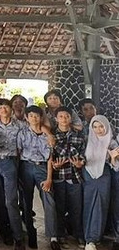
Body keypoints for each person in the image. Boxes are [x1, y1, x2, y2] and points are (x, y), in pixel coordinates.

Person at [17, 106, 59, 250]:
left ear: (41, 118)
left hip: (42, 168)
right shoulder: (22, 133)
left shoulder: (48, 135)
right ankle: (30, 232)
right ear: (27, 118)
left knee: (49, 200)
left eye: (36, 116)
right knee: (26, 202)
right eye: (31, 116)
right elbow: (18, 153)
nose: (34, 118)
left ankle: (53, 236)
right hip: (25, 167)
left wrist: (49, 179)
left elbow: (50, 158)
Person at [0, 99, 25, 249]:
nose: (3, 110)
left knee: (11, 200)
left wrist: (48, 134)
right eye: (0, 107)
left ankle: (18, 237)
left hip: (11, 162)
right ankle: (3, 230)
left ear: (10, 109)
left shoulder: (20, 125)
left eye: (6, 107)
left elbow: (37, 127)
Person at [51, 106, 85, 247]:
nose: (64, 119)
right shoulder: (52, 136)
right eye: (61, 116)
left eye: (67, 116)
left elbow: (83, 153)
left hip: (75, 176)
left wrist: (80, 163)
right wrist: (54, 165)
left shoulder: (79, 136)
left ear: (71, 118)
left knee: (76, 207)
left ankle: (78, 234)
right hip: (58, 177)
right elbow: (49, 156)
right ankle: (61, 235)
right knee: (59, 207)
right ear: (56, 119)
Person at [83, 116, 117, 250]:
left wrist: (113, 158)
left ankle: (93, 238)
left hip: (104, 175)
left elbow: (115, 166)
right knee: (87, 204)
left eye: (101, 126)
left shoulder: (112, 142)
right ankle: (86, 236)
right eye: (95, 127)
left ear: (107, 126)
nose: (98, 130)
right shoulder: (87, 140)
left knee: (100, 206)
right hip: (87, 175)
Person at [109, 132, 119, 250]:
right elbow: (114, 164)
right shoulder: (115, 140)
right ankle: (117, 237)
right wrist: (114, 157)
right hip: (117, 175)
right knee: (116, 207)